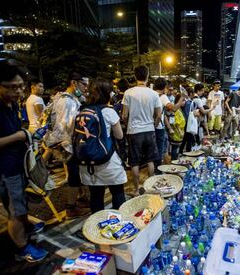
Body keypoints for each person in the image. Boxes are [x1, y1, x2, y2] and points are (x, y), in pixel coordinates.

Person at [0, 60, 48, 262]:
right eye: (12, 87)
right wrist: (20, 136)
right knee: (15, 210)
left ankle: (26, 225)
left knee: (21, 205)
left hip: (17, 165)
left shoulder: (11, 103)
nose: (19, 91)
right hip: (4, 170)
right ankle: (22, 248)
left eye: (20, 86)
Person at [44, 71, 90, 218]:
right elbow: (66, 125)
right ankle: (71, 208)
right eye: (84, 84)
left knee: (77, 174)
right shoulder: (67, 101)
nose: (86, 88)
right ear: (74, 83)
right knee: (74, 176)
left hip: (70, 142)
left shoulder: (66, 98)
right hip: (69, 143)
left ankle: (81, 199)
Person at [79, 79, 127, 213]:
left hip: (88, 164)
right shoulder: (109, 111)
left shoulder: (82, 111)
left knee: (96, 196)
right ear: (106, 93)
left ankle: (96, 228)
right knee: (117, 192)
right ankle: (119, 224)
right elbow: (119, 136)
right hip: (108, 161)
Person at [122, 65, 161, 196]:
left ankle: (137, 190)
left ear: (134, 76)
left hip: (134, 131)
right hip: (149, 130)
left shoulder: (128, 93)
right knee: (150, 160)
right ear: (147, 76)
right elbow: (159, 115)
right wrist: (154, 125)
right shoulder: (154, 94)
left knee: (134, 162)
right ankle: (150, 188)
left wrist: (129, 126)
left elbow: (124, 115)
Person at [154, 77, 184, 170]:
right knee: (162, 150)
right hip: (158, 127)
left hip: (149, 127)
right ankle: (163, 170)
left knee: (154, 150)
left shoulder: (151, 94)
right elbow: (174, 108)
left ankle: (156, 169)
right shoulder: (162, 97)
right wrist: (182, 97)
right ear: (165, 87)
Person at [164, 94, 186, 160]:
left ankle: (175, 160)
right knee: (175, 147)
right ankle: (174, 161)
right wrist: (179, 131)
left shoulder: (179, 109)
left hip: (179, 132)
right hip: (176, 132)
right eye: (183, 100)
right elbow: (174, 122)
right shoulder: (175, 110)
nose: (184, 102)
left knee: (176, 148)